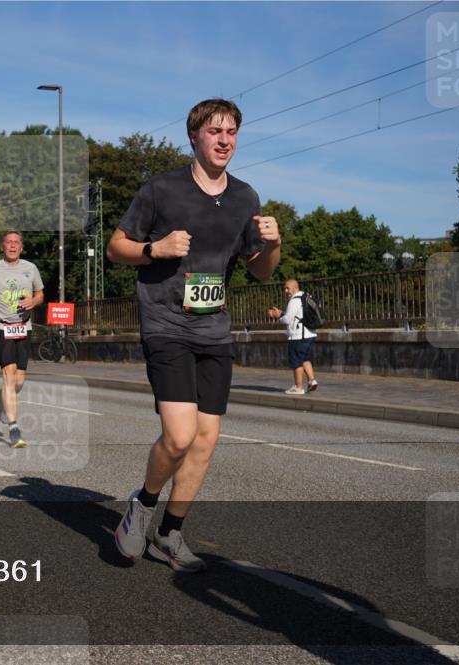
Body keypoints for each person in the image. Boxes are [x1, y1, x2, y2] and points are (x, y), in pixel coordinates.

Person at [107, 99, 281, 572]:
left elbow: (262, 271)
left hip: (213, 328)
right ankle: (142, 507)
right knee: (180, 435)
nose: (224, 140)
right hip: (166, 323)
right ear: (194, 137)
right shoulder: (162, 189)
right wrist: (154, 248)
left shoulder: (245, 197)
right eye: (214, 131)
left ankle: (169, 534)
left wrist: (274, 244)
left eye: (231, 132)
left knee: (205, 439)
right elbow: (116, 248)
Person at [0, 230, 44, 448]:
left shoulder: (31, 268)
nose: (12, 246)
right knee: (9, 375)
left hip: (24, 326)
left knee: (19, 381)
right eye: (8, 242)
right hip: (1, 327)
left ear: (21, 247)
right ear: (2, 246)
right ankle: (14, 429)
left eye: (16, 243)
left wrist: (34, 301)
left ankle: (3, 399)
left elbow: (40, 294)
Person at [268, 279, 318, 395]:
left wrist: (277, 316)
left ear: (295, 287)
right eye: (285, 288)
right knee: (305, 359)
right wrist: (281, 313)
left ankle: (298, 387)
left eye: (287, 288)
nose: (286, 291)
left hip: (298, 336)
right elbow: (296, 315)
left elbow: (287, 320)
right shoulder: (306, 296)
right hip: (310, 334)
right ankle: (312, 380)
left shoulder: (294, 300)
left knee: (296, 362)